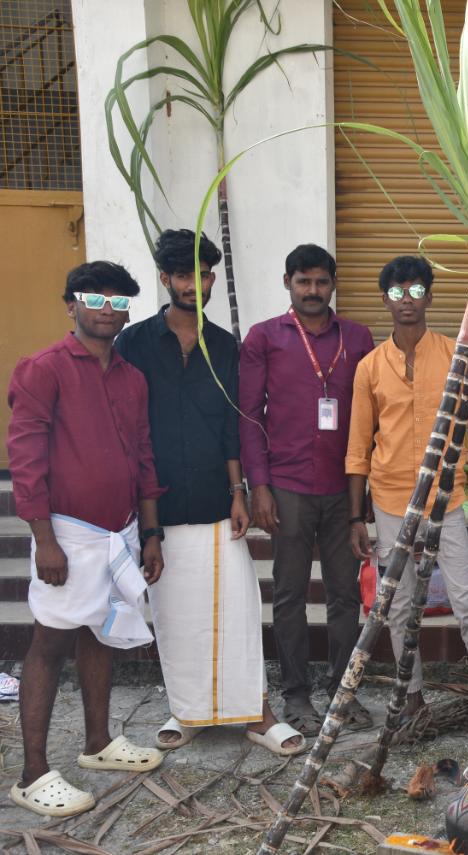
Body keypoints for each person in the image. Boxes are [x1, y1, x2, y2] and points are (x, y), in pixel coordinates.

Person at [116, 230, 303, 756]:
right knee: (175, 612)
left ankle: (256, 715)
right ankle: (189, 710)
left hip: (219, 501)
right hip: (159, 502)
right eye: (184, 275)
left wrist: (238, 490)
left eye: (203, 274)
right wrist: (145, 522)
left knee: (237, 606)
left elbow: (233, 423)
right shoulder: (133, 344)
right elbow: (133, 430)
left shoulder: (225, 345)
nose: (195, 284)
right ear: (164, 279)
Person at [7, 262, 165, 817]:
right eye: (94, 298)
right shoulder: (42, 369)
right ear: (70, 304)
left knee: (100, 631)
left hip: (120, 530)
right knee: (49, 644)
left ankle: (97, 743)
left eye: (120, 302)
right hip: (67, 533)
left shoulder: (131, 377)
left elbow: (144, 457)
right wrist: (44, 540)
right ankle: (32, 774)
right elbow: (25, 459)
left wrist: (149, 533)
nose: (107, 309)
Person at [346, 255, 468, 719]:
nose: (406, 301)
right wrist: (358, 516)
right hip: (391, 500)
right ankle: (411, 695)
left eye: (415, 291)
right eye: (396, 293)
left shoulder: (458, 356)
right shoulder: (370, 367)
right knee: (396, 605)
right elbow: (357, 446)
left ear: (430, 297)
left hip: (447, 500)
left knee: (467, 601)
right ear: (385, 301)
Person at [239, 243, 375, 736]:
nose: (313, 290)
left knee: (344, 596)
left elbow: (371, 419)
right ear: (287, 284)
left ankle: (343, 693)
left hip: (344, 489)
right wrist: (260, 485)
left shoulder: (358, 338)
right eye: (303, 281)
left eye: (321, 281)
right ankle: (295, 696)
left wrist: (366, 501)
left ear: (333, 284)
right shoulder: (264, 338)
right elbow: (250, 416)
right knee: (291, 594)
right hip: (288, 486)